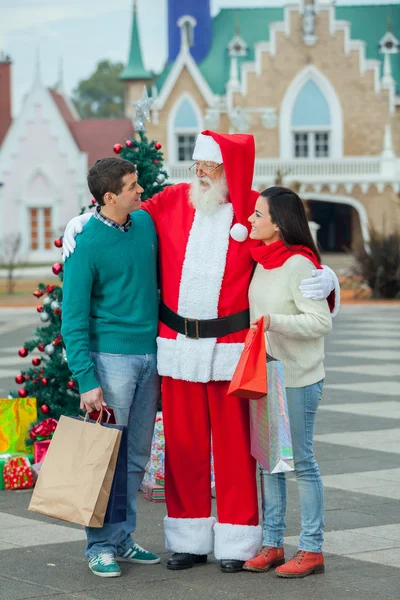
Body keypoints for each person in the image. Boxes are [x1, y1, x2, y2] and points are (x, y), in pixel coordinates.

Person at [62, 132, 339, 573]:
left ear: (228, 170)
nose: (199, 176)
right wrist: (81, 220)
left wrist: (328, 279)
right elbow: (117, 213)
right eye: (196, 167)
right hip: (174, 348)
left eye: (207, 169)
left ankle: (237, 540)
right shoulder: (173, 201)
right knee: (184, 448)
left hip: (231, 349)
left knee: (235, 448)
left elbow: (286, 250)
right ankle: (187, 539)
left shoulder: (253, 209)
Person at [62, 158, 161, 578]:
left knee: (136, 456)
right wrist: (87, 380)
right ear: (109, 197)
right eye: (134, 187)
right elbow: (72, 318)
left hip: (151, 356)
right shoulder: (86, 243)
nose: (142, 191)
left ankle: (122, 537)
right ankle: (98, 545)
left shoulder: (145, 225)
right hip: (111, 361)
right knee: (104, 458)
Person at [242, 186, 332, 578]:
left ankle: (311, 549)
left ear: (278, 224)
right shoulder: (262, 260)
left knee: (303, 463)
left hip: (298, 376)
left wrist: (274, 323)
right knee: (270, 463)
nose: (250, 220)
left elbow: (320, 321)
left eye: (258, 215)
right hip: (267, 374)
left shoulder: (298, 264)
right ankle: (273, 543)